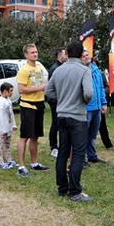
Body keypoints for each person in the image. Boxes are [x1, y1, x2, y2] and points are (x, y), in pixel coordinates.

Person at [45, 41, 94, 202]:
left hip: (62, 116)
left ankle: (62, 188)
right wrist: (81, 101)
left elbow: (48, 92)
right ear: (81, 54)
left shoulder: (59, 70)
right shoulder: (84, 70)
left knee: (63, 153)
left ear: (67, 53)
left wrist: (62, 100)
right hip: (78, 117)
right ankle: (75, 191)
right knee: (78, 154)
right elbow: (88, 93)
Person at [15, 43, 50, 177]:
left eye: (36, 52)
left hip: (39, 104)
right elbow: (21, 89)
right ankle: (21, 166)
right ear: (26, 55)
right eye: (32, 52)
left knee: (35, 136)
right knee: (24, 136)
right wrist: (39, 88)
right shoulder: (24, 70)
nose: (35, 54)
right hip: (28, 105)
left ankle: (34, 163)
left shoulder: (39, 68)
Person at [81, 49, 107, 164]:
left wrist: (104, 103)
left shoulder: (96, 71)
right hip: (86, 108)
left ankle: (92, 155)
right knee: (83, 134)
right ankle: (82, 157)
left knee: (92, 134)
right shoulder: (80, 71)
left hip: (97, 108)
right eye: (83, 56)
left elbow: (101, 88)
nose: (86, 57)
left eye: (87, 55)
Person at [48, 47, 67, 158]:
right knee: (55, 123)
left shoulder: (63, 67)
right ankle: (54, 147)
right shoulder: (55, 68)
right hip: (55, 100)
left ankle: (60, 145)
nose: (67, 56)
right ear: (60, 56)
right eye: (65, 54)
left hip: (61, 99)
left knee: (60, 123)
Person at [0, 82, 18, 169]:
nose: (12, 92)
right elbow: (1, 116)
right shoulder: (1, 101)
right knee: (0, 144)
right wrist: (3, 130)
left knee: (7, 144)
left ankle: (9, 160)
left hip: (8, 127)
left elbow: (11, 114)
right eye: (11, 90)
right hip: (2, 128)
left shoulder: (8, 100)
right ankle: (1, 162)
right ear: (5, 91)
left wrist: (13, 125)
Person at [95, 59, 114, 149]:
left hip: (99, 103)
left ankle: (107, 143)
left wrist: (103, 100)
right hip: (91, 104)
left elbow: (105, 86)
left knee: (102, 125)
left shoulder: (100, 73)